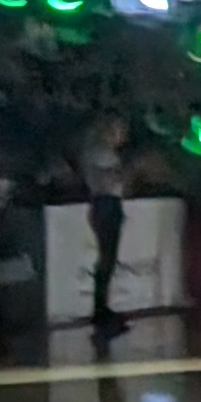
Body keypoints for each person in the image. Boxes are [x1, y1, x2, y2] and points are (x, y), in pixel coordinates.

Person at [76, 115, 135, 335]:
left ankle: (102, 308)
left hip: (105, 204)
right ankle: (101, 311)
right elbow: (109, 179)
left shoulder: (97, 151)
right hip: (105, 203)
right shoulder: (101, 152)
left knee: (107, 259)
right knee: (106, 259)